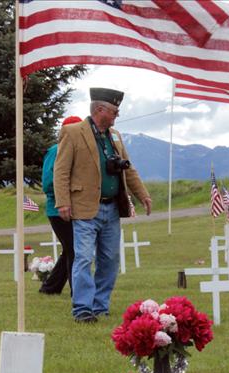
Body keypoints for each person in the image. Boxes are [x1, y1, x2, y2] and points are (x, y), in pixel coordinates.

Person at [54, 87, 152, 323]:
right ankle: (82, 309)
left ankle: (100, 306)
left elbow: (128, 169)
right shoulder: (72, 132)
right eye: (114, 111)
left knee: (110, 260)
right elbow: (61, 170)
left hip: (112, 208)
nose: (117, 115)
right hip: (85, 208)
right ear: (100, 109)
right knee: (84, 258)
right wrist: (63, 202)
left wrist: (143, 195)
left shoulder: (115, 136)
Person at [39, 116, 83, 295]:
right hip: (58, 209)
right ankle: (78, 292)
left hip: (77, 209)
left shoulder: (80, 151)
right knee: (74, 249)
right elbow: (48, 182)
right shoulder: (55, 150)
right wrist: (66, 197)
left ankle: (50, 288)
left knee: (70, 249)